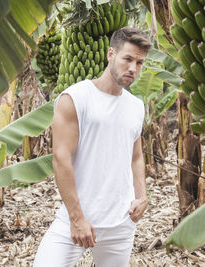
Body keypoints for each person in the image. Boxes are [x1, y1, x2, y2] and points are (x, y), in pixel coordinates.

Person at [33, 26, 152, 267]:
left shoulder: (136, 106)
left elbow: (136, 156)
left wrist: (142, 196)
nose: (133, 68)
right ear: (111, 54)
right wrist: (77, 219)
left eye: (139, 63)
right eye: (127, 59)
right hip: (76, 220)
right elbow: (60, 158)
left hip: (121, 223)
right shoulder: (75, 98)